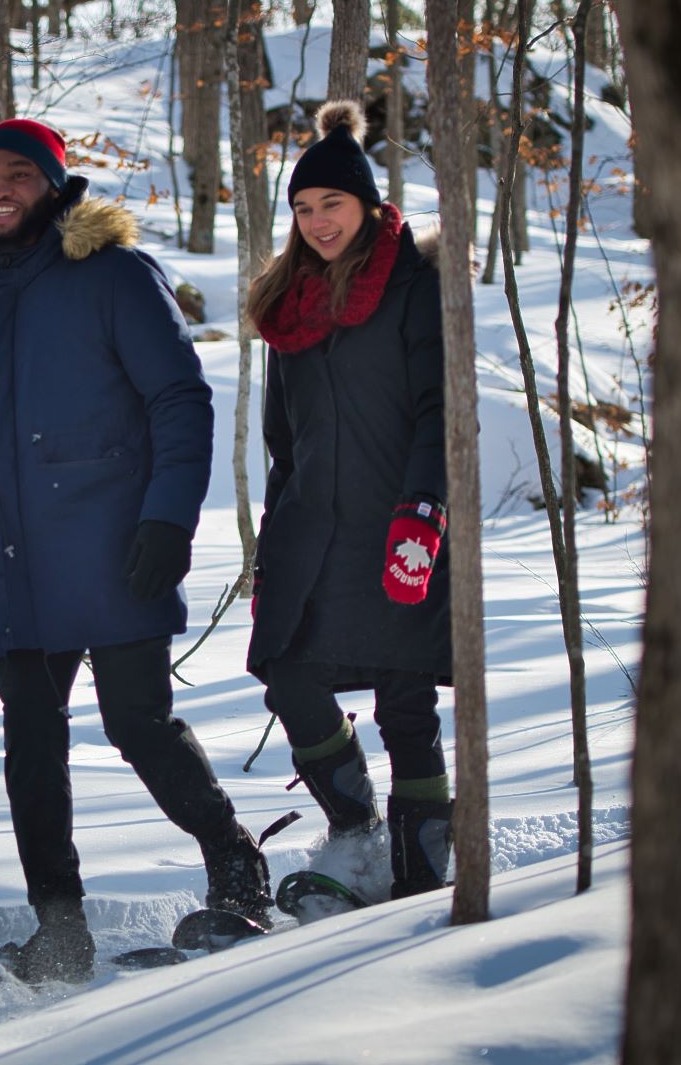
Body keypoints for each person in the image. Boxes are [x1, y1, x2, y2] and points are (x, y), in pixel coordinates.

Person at [0, 118, 270, 984]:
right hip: (14, 557)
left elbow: (180, 402)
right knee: (31, 744)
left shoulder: (113, 277)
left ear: (53, 185)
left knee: (135, 721)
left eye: (19, 175)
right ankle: (59, 929)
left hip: (114, 544)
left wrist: (166, 522)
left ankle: (234, 861)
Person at [245, 99, 454, 904]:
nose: (316, 220)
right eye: (302, 208)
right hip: (310, 528)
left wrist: (424, 510)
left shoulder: (412, 286)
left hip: (400, 519)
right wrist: (273, 542)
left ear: (366, 204)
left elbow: (438, 406)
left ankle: (425, 860)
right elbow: (282, 441)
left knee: (405, 695)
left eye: (331, 203)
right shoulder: (288, 305)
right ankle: (357, 833)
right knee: (286, 668)